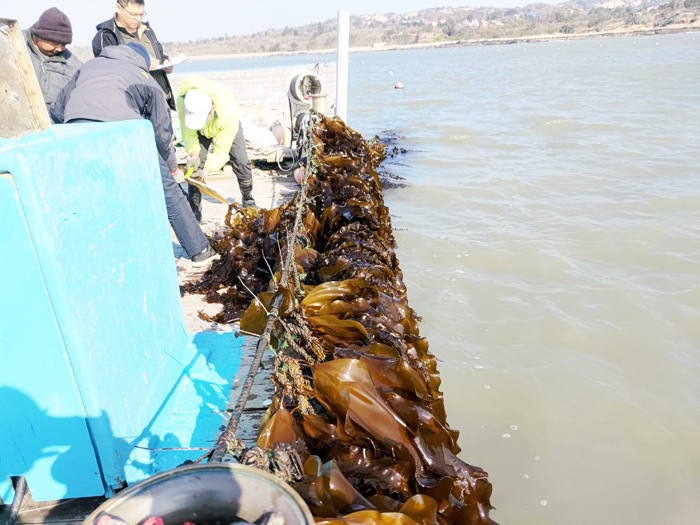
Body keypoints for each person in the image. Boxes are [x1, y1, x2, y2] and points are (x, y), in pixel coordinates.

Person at [50, 44, 218, 268]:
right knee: (168, 190)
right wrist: (172, 169)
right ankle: (200, 250)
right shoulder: (147, 80)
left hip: (77, 130)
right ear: (145, 62)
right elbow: (162, 133)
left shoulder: (89, 65)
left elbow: (57, 110)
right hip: (122, 131)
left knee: (90, 192)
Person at [177, 75, 256, 219]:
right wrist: (194, 154)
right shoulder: (184, 102)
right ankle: (195, 210)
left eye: (200, 120)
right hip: (201, 133)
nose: (198, 123)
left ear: (212, 109)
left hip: (225, 125)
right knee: (195, 167)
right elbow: (188, 134)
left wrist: (206, 172)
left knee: (241, 161)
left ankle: (248, 199)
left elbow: (221, 152)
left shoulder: (228, 112)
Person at [92, 0, 175, 110]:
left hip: (161, 100)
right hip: (132, 105)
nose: (138, 19)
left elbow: (159, 55)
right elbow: (108, 69)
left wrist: (166, 62)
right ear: (118, 8)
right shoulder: (106, 35)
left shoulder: (147, 30)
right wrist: (143, 64)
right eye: (133, 14)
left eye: (141, 14)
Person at [24, 7, 82, 113]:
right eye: (55, 43)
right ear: (39, 36)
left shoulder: (75, 68)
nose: (60, 48)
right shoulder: (12, 44)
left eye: (64, 44)